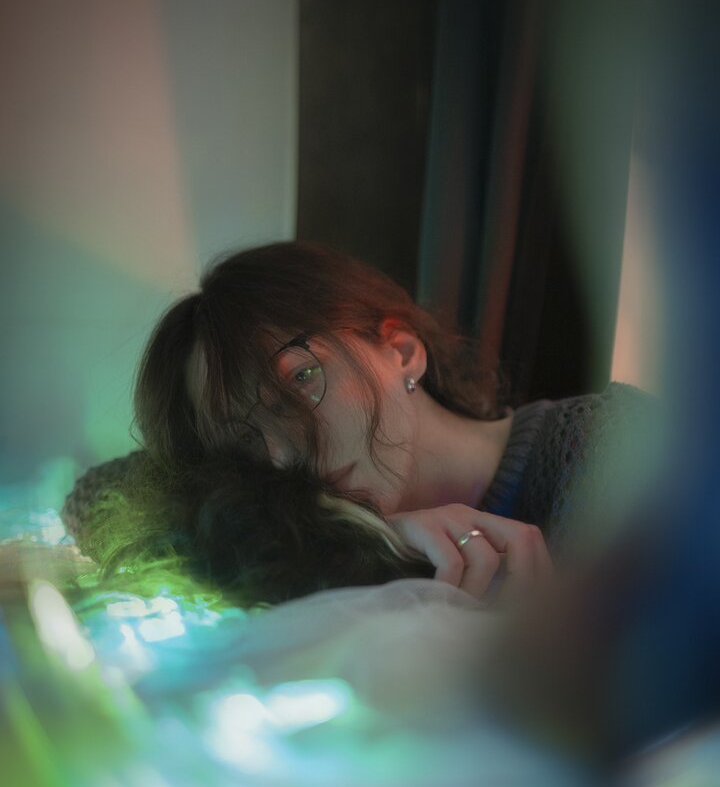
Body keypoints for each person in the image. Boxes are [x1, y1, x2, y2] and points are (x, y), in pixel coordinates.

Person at [76, 239, 648, 606]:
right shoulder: (309, 512)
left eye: (301, 380)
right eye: (243, 438)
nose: (281, 456)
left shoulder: (602, 447)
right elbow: (96, 498)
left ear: (402, 351)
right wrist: (370, 539)